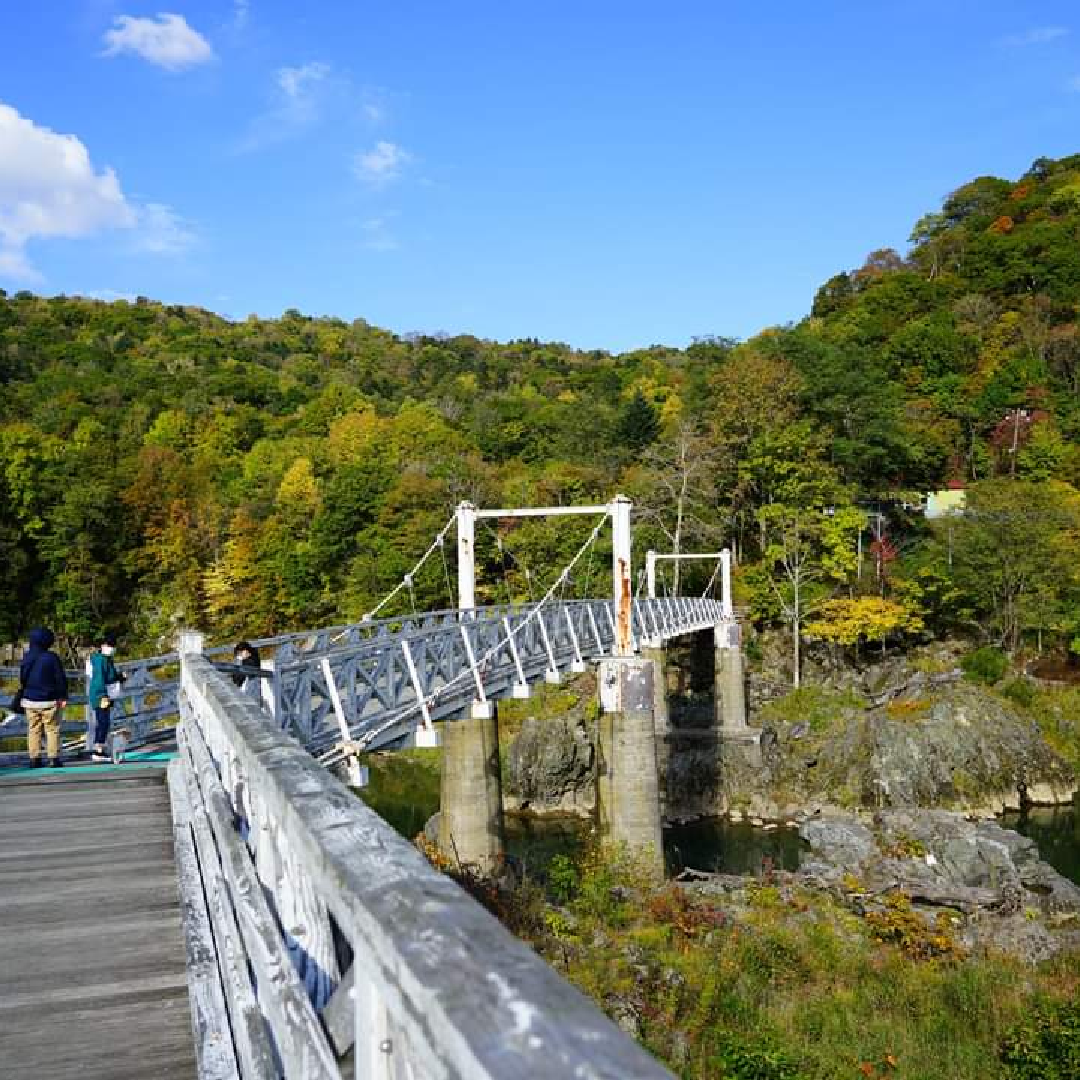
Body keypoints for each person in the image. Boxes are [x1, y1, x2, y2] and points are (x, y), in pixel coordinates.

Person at [20, 627, 68, 768]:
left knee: (33, 729)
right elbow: (60, 679)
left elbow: (23, 678)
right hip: (49, 700)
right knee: (52, 729)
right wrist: (63, 696)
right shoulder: (52, 657)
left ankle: (34, 758)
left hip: (30, 700)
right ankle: (53, 758)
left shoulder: (27, 657)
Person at [88, 633, 125, 763]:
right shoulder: (100, 660)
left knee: (104, 722)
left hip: (104, 694)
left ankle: (100, 749)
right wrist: (102, 696)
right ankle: (98, 751)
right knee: (103, 722)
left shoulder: (106, 659)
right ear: (103, 646)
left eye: (113, 645)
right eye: (109, 645)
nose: (112, 648)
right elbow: (99, 679)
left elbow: (109, 676)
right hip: (101, 695)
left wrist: (119, 677)